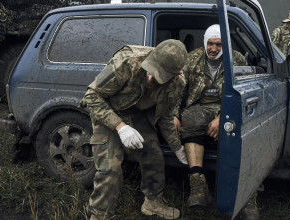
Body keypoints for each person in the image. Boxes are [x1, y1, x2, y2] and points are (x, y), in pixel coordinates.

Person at [82, 39, 188, 220]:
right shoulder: (128, 61)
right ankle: (99, 216)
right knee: (110, 169)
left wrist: (176, 146)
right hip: (108, 111)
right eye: (151, 69)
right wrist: (120, 127)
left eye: (159, 75)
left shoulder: (177, 84)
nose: (150, 77)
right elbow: (92, 96)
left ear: (176, 73)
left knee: (154, 156)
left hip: (136, 115)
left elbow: (165, 116)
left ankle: (152, 204)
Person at [177, 24, 259, 220]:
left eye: (219, 45)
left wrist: (222, 117)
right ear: (205, 42)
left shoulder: (237, 59)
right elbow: (178, 88)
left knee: (241, 128)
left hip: (227, 108)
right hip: (200, 106)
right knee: (189, 118)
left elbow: (245, 92)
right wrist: (173, 113)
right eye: (211, 43)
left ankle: (248, 193)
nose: (213, 49)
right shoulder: (193, 58)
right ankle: (198, 184)